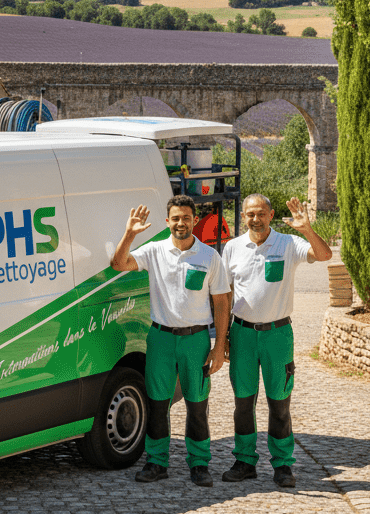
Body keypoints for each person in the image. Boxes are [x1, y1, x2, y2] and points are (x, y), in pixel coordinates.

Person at [111, 195, 231, 487]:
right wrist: (129, 233)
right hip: (161, 338)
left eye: (186, 218)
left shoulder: (209, 256)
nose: (181, 223)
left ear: (194, 220)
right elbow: (118, 264)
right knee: (157, 403)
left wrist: (218, 347)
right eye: (176, 218)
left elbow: (222, 304)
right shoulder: (154, 251)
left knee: (197, 404)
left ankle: (200, 463)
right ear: (168, 222)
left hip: (196, 340)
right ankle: (156, 461)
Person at [220, 194, 333, 487]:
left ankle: (283, 465)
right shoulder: (231, 248)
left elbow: (324, 255)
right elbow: (225, 293)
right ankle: (245, 461)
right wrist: (224, 338)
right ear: (243, 217)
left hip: (278, 335)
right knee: (243, 403)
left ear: (270, 215)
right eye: (249, 214)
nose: (255, 219)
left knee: (279, 403)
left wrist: (306, 229)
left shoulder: (288, 244)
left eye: (260, 213)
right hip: (242, 334)